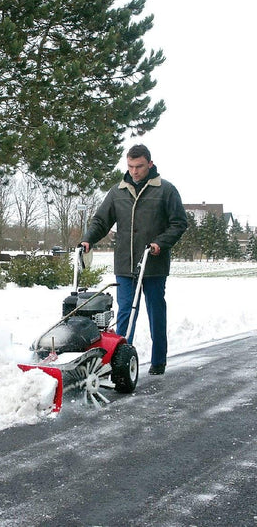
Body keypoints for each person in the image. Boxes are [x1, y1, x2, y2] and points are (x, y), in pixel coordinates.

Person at [81, 144, 187, 375]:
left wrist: (160, 242)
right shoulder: (117, 191)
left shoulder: (165, 190)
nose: (135, 171)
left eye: (139, 166)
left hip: (153, 264)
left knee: (155, 312)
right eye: (130, 166)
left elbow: (179, 223)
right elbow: (101, 221)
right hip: (125, 264)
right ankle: (120, 362)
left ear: (150, 164)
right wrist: (88, 239)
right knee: (125, 313)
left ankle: (159, 360)